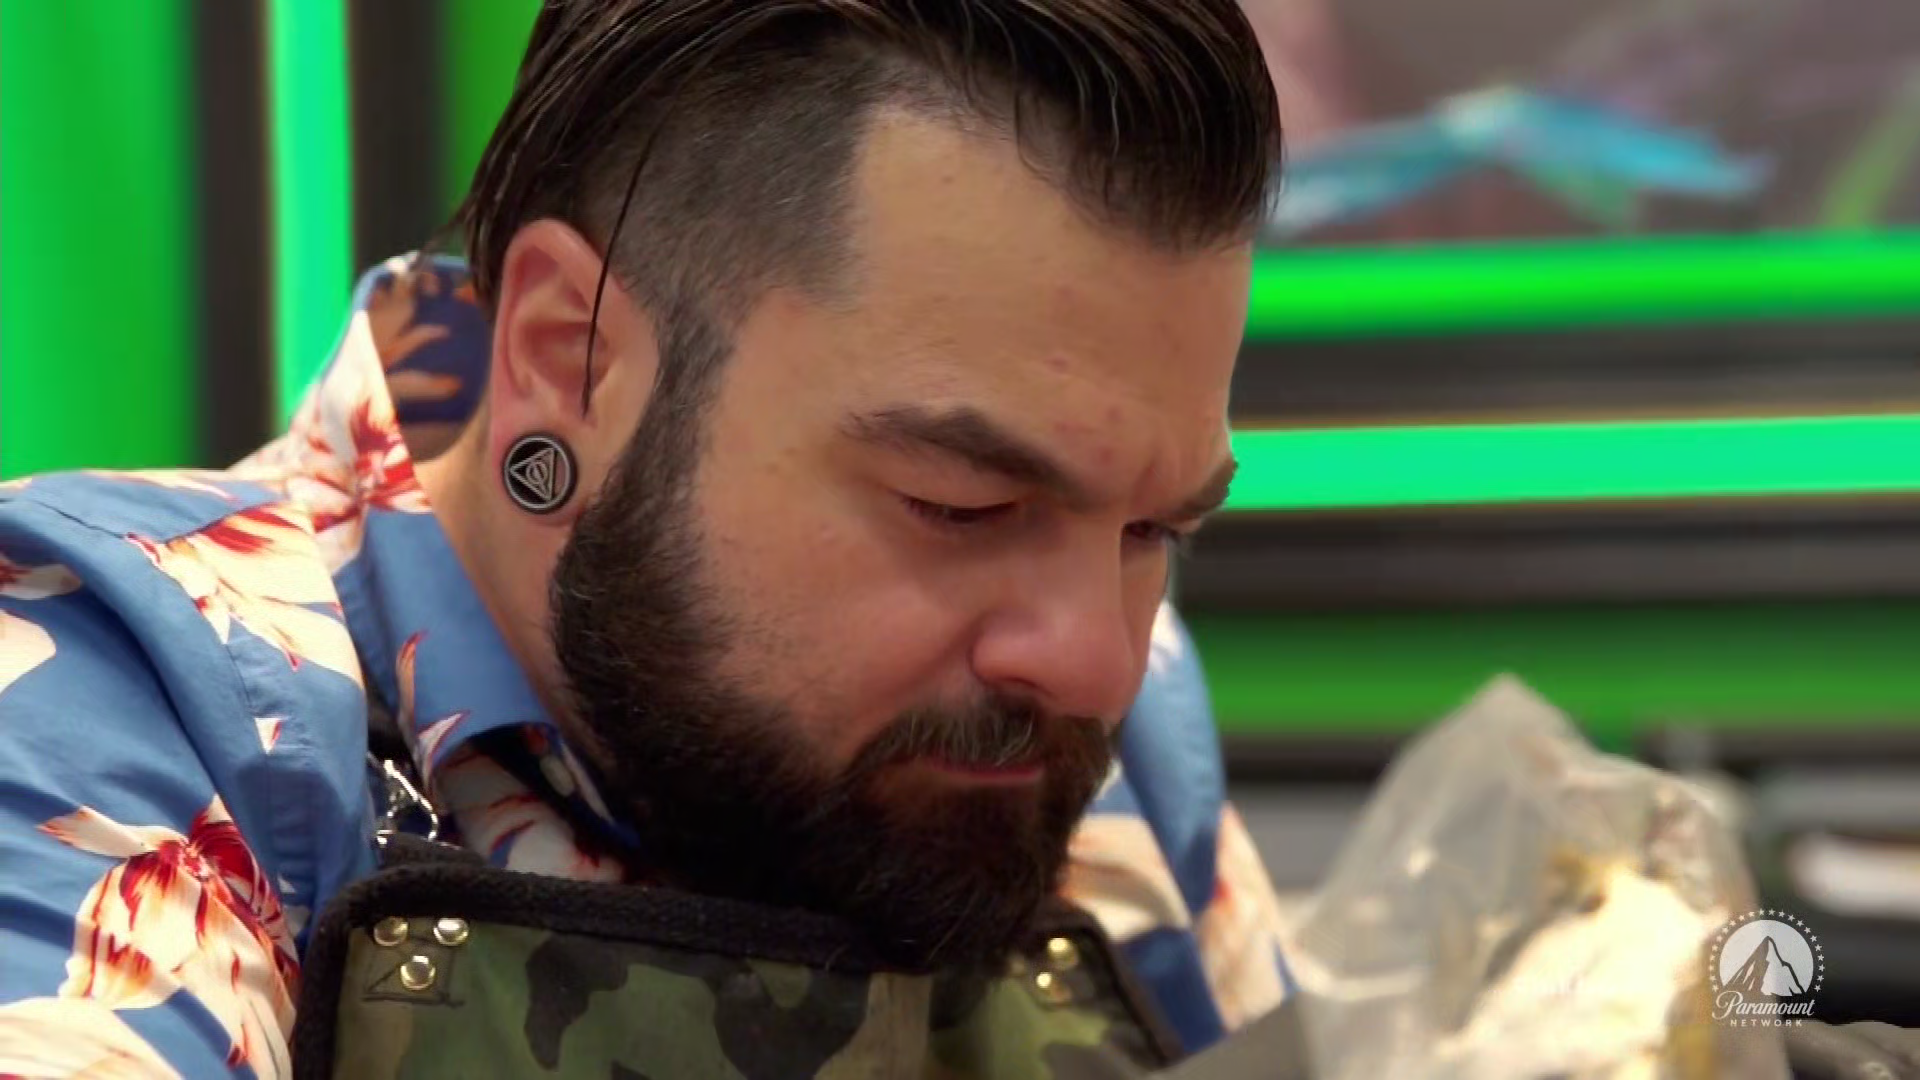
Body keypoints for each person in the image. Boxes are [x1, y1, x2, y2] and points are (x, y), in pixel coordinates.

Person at [0, 2, 1295, 1075]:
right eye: (962, 505)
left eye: (1154, 528)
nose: (1096, 661)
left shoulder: (1109, 736)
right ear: (569, 361)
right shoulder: (96, 696)